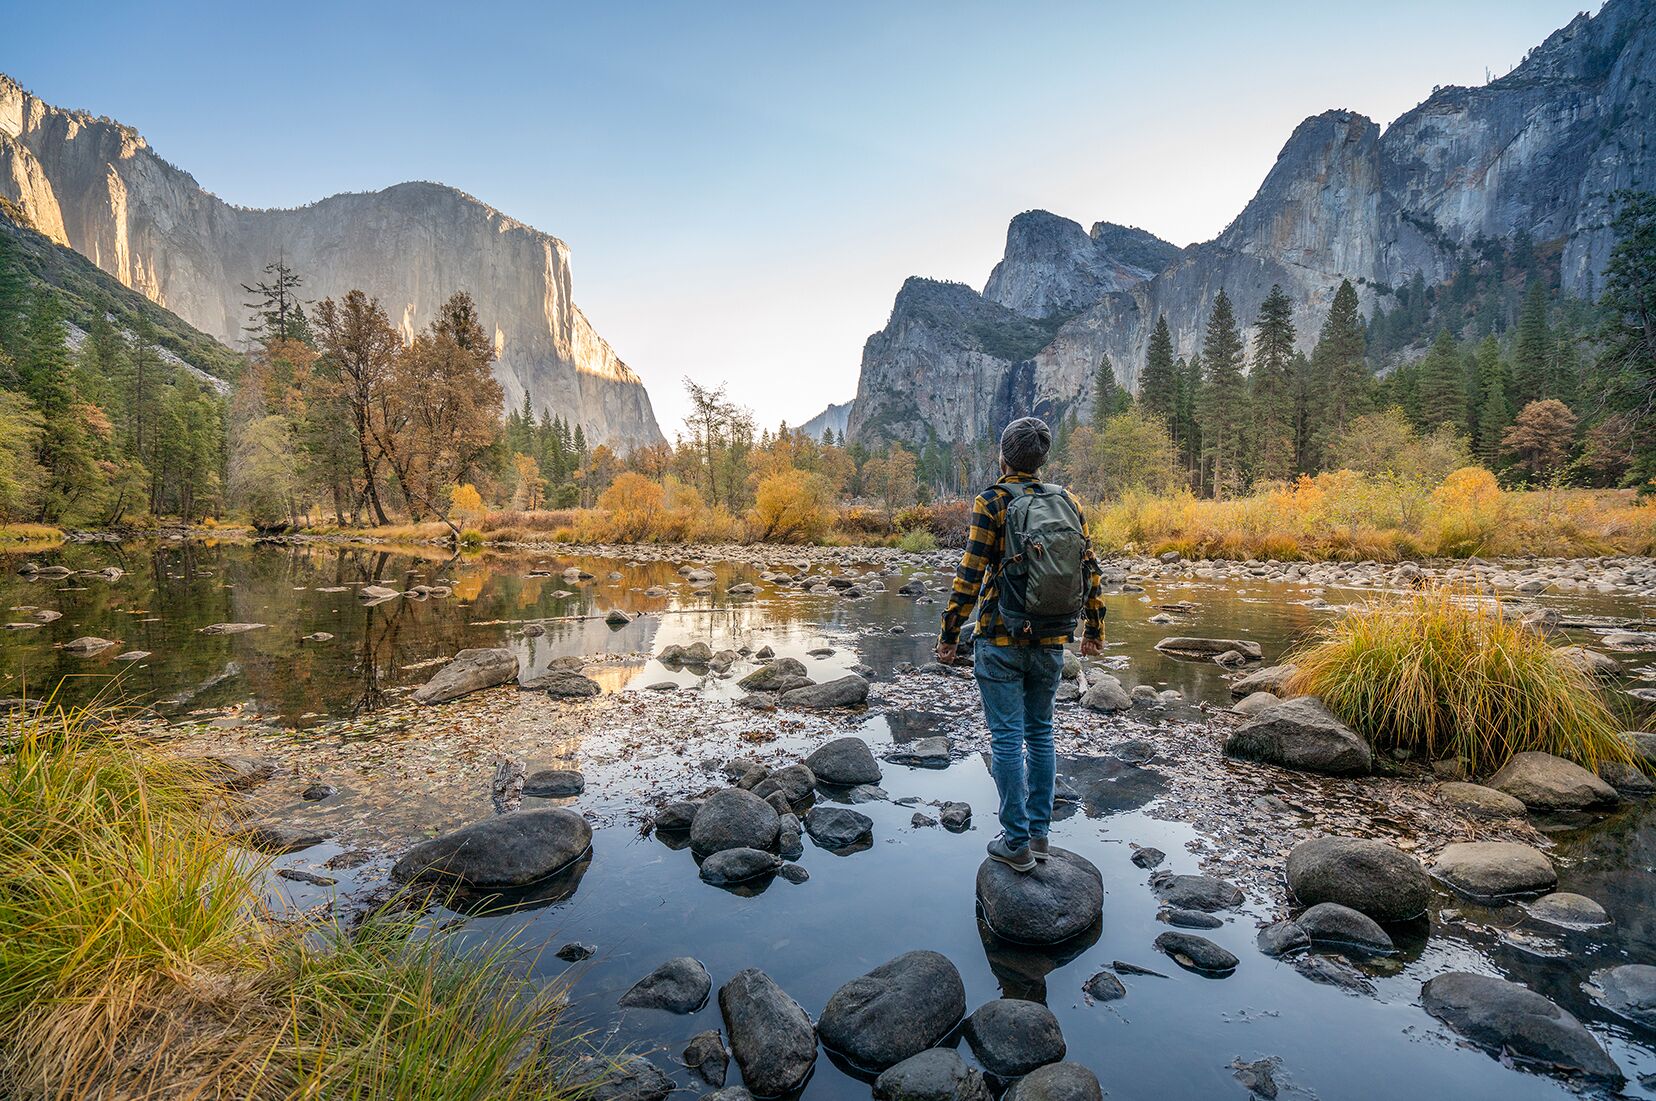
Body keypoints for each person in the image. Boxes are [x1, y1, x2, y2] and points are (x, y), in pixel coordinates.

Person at [935, 416, 1105, 873]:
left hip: (1000, 637)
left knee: (1007, 738)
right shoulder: (1067, 500)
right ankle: (1040, 835)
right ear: (1042, 460)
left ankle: (1015, 842)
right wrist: (1095, 629)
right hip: (1052, 638)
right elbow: (1089, 567)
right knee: (1041, 732)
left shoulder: (992, 501)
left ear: (1004, 456)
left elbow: (969, 576)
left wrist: (950, 634)